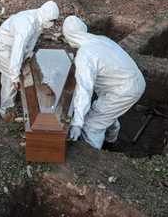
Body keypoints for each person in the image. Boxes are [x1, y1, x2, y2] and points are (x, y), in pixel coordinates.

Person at [62, 16, 145, 149]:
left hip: (123, 90)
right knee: (105, 114)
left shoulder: (85, 54)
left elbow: (84, 89)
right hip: (134, 82)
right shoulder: (101, 39)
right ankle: (111, 141)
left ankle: (92, 157)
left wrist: (77, 122)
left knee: (91, 125)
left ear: (68, 36)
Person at [0, 1, 60, 122]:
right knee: (9, 79)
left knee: (18, 71)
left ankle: (16, 97)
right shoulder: (27, 24)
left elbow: (30, 41)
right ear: (45, 17)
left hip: (13, 45)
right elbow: (18, 50)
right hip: (3, 45)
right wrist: (14, 76)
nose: (51, 24)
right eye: (51, 21)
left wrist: (28, 56)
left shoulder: (38, 19)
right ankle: (6, 111)